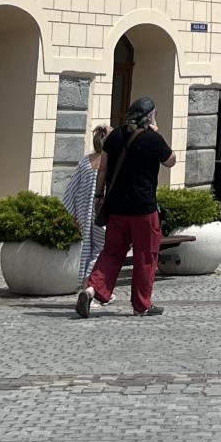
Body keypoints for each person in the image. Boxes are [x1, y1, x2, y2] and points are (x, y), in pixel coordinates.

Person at [75, 98, 175, 319]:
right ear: (149, 117)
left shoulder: (115, 136)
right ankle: (141, 305)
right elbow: (171, 161)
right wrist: (156, 133)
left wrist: (99, 196)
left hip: (117, 207)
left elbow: (102, 169)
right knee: (145, 255)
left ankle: (92, 290)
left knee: (111, 252)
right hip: (143, 208)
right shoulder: (153, 139)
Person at [60, 123, 110, 287]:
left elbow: (71, 189)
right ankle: (91, 285)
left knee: (87, 247)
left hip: (83, 211)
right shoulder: (109, 162)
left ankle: (86, 283)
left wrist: (73, 213)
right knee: (103, 248)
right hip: (102, 211)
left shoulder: (84, 162)